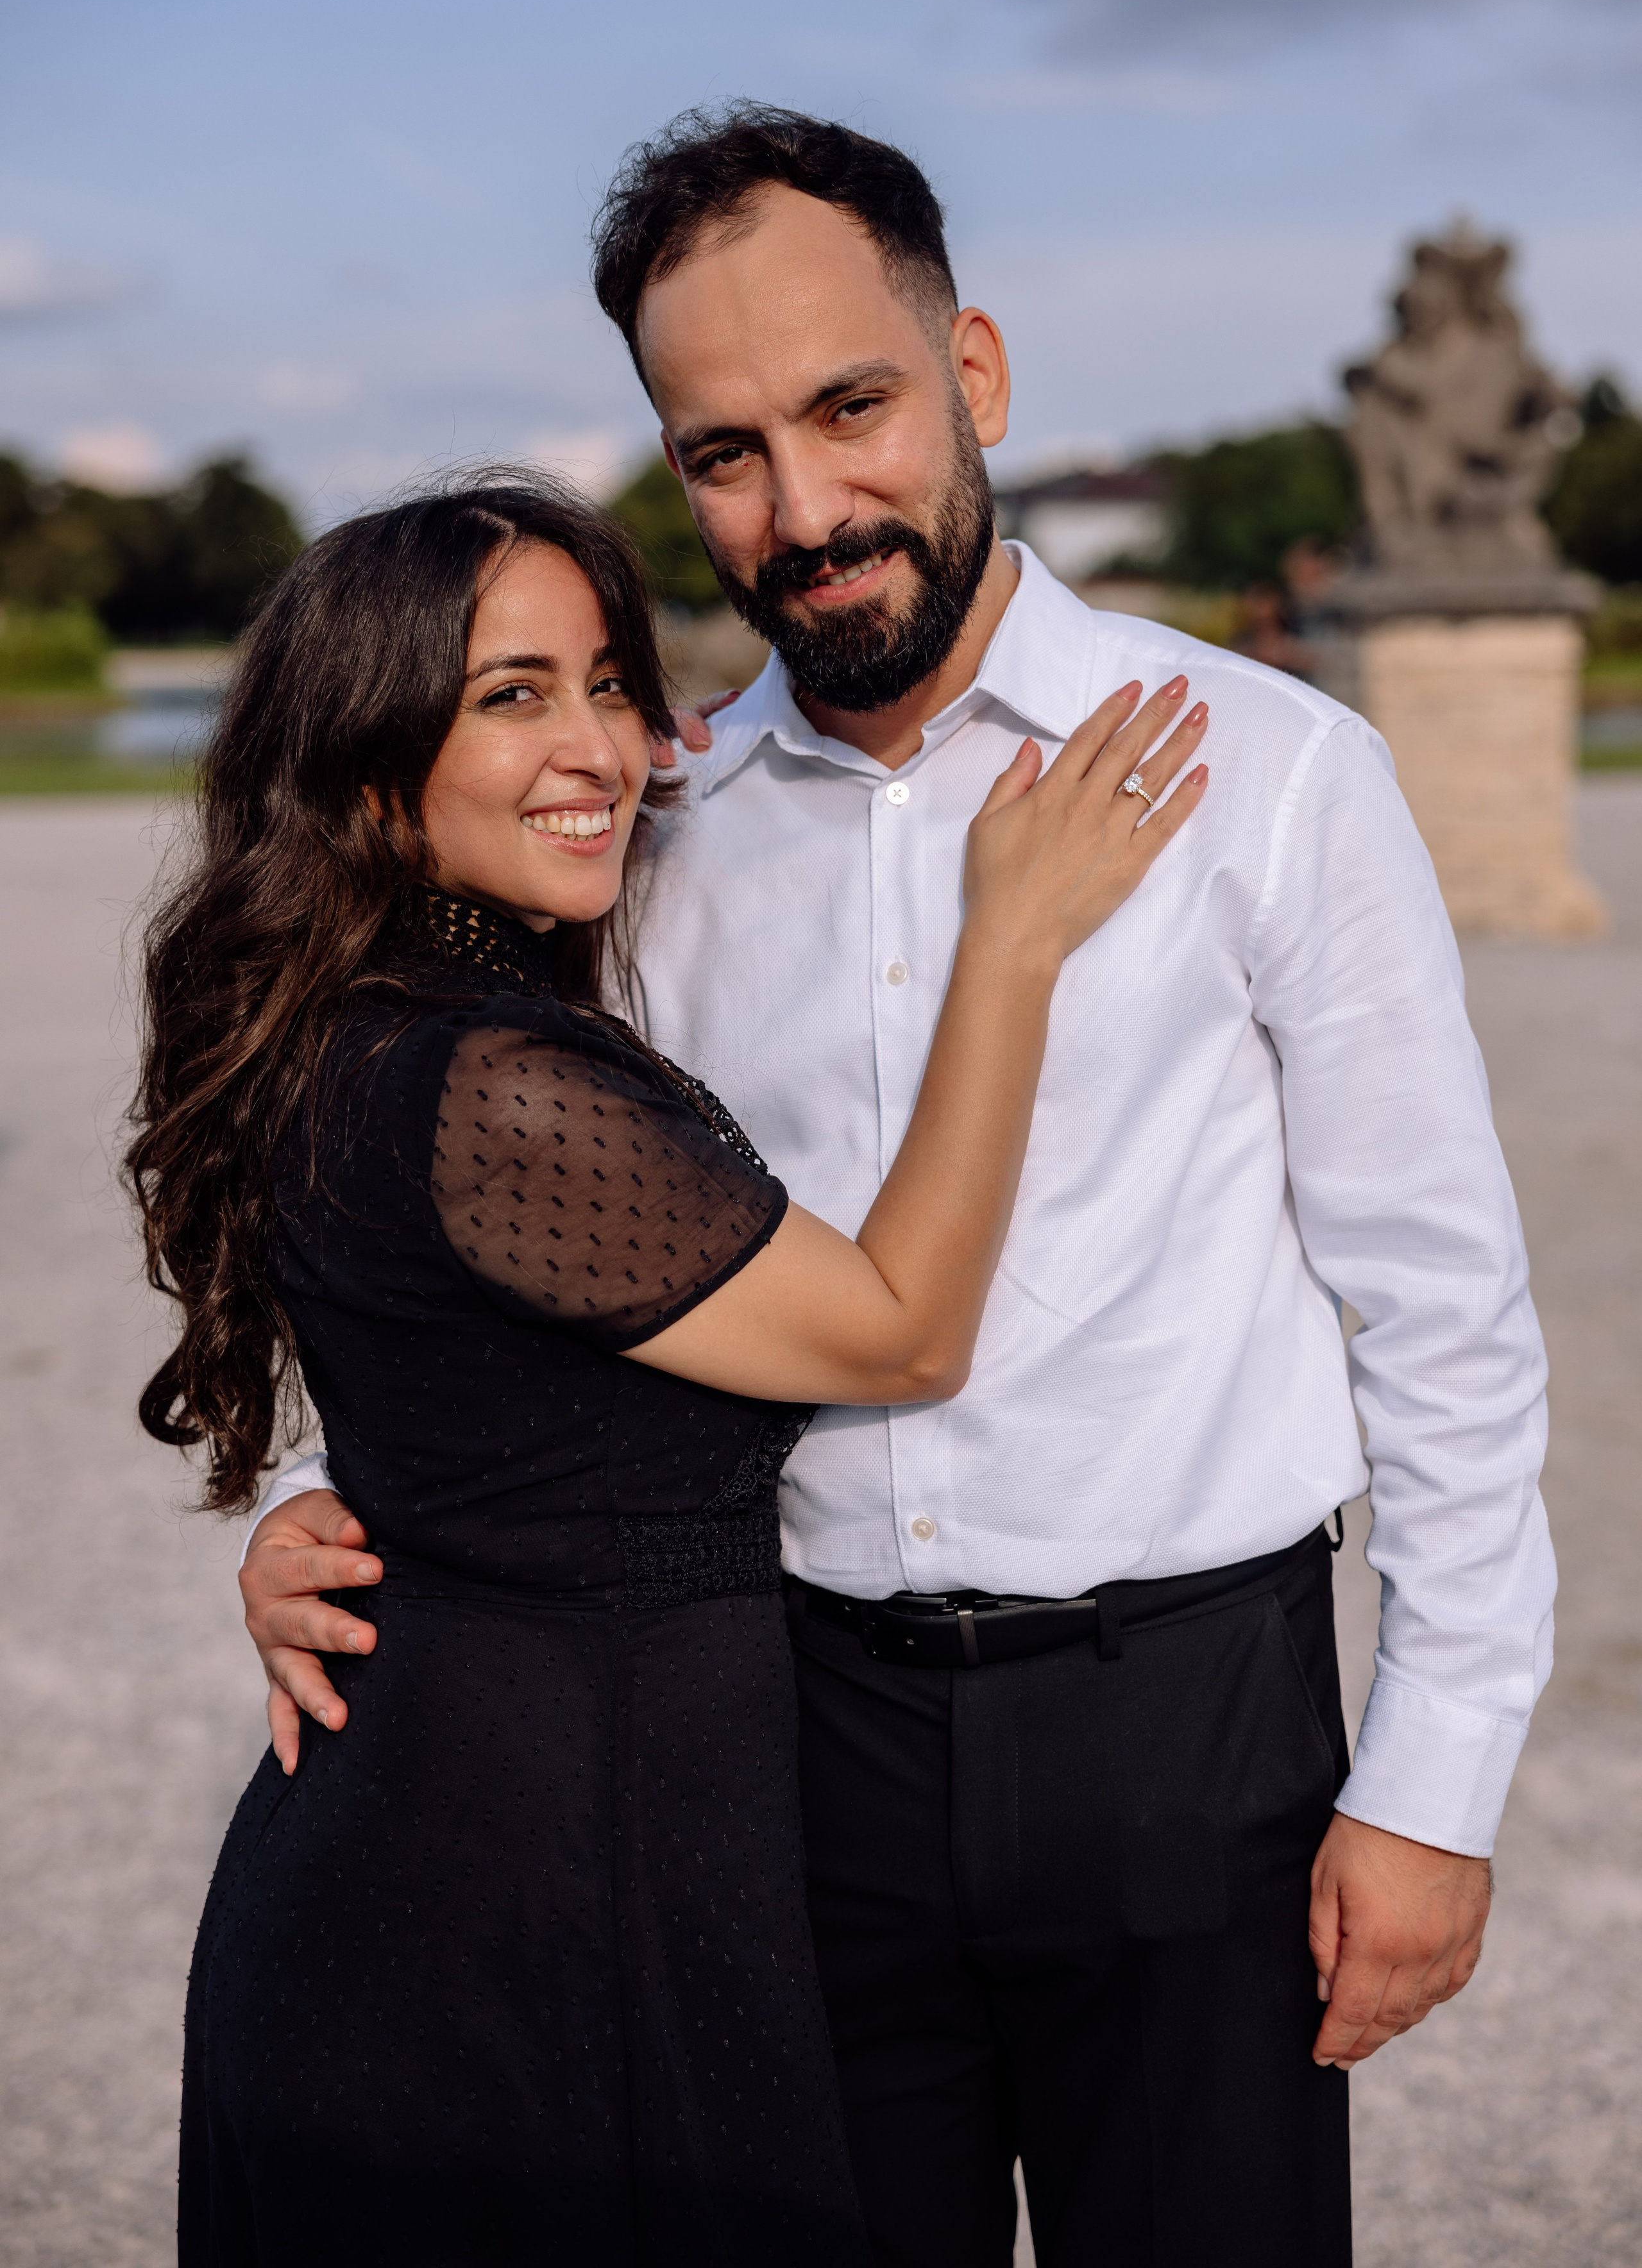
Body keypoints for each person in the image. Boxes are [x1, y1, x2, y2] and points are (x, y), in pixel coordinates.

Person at [240, 109, 1555, 2267]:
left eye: (849, 408)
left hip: (1190, 1736)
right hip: (778, 1749)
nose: (804, 506)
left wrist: (1435, 1780)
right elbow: (501, 1208)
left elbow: (1443, 1306)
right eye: (724, 449)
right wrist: (318, 1484)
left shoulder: (1273, 774)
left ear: (979, 381)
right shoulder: (643, 836)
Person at [127, 472, 1205, 2264]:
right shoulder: (492, 1080)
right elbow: (900, 1330)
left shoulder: (393, 1026)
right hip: (517, 1905)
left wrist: (318, 1511)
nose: (598, 745)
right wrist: (1008, 944)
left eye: (609, 682)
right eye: (510, 695)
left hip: (532, 1844)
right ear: (372, 761)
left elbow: (477, 1411)